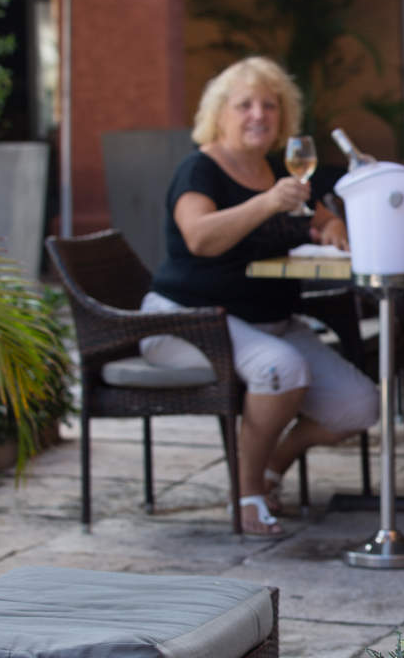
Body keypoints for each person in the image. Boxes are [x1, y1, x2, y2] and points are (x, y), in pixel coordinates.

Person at [139, 56, 379, 536]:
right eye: (244, 105)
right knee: (280, 368)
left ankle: (271, 468)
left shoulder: (277, 169)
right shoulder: (200, 169)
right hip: (186, 321)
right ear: (219, 113)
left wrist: (331, 226)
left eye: (270, 106)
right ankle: (246, 497)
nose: (258, 115)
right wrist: (267, 202)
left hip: (267, 320)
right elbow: (200, 237)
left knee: (360, 405)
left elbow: (316, 215)